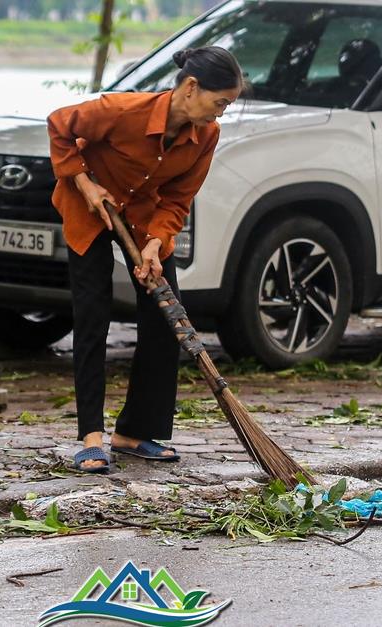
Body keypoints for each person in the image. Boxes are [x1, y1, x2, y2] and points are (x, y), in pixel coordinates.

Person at [47, 46, 244, 473]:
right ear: (191, 88)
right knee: (93, 315)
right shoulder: (121, 110)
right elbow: (59, 126)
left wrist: (157, 243)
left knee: (162, 318)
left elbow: (178, 196)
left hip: (141, 220)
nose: (221, 113)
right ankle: (91, 436)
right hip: (89, 208)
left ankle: (134, 431)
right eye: (220, 102)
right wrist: (84, 184)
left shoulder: (205, 135)